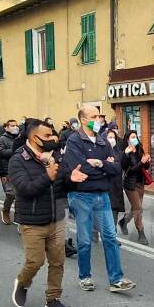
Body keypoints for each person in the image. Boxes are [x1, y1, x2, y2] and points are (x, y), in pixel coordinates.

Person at [9, 119, 84, 307]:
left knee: (58, 261)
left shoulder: (56, 156)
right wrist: (47, 176)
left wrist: (72, 181)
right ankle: (23, 283)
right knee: (35, 261)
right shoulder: (18, 159)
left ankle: (53, 299)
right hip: (32, 221)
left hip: (57, 218)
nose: (53, 139)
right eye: (48, 136)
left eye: (52, 135)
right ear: (34, 138)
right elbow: (25, 189)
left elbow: (63, 183)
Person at [60, 104, 136, 292]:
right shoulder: (74, 141)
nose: (99, 120)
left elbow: (116, 169)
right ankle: (85, 277)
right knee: (85, 240)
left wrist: (98, 164)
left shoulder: (103, 141)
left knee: (110, 237)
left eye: (99, 116)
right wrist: (103, 167)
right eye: (94, 116)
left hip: (103, 196)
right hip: (81, 196)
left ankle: (116, 279)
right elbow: (79, 168)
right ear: (83, 119)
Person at [118, 129, 151, 245]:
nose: (135, 138)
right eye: (132, 137)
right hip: (130, 185)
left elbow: (145, 168)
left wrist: (146, 161)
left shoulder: (139, 148)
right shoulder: (125, 154)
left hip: (140, 182)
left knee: (136, 207)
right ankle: (141, 233)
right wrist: (141, 163)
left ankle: (124, 221)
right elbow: (129, 171)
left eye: (136, 136)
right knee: (138, 209)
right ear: (127, 139)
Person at [0, 119, 20, 224]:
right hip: (7, 170)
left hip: (20, 170)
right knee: (11, 193)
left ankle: (18, 216)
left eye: (16, 125)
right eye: (12, 125)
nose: (15, 127)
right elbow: (1, 153)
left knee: (20, 194)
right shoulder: (2, 139)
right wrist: (16, 149)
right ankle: (5, 211)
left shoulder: (20, 138)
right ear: (6, 127)